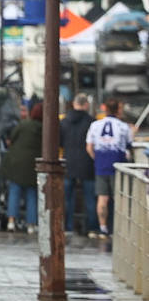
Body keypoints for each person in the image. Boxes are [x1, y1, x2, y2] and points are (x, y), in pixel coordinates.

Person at [87, 99, 134, 238]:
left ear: (105, 108)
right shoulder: (124, 127)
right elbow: (129, 146)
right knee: (119, 197)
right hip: (118, 164)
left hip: (101, 164)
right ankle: (119, 228)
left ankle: (103, 227)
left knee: (102, 198)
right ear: (118, 110)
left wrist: (97, 159)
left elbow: (89, 147)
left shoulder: (95, 125)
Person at [1, 103, 43, 233]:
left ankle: (11, 222)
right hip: (33, 165)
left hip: (17, 163)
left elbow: (12, 138)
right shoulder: (44, 128)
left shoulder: (23, 124)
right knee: (31, 194)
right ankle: (31, 224)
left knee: (14, 192)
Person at [60, 94, 96, 235]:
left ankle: (68, 227)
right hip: (87, 163)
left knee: (67, 198)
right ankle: (92, 228)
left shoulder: (64, 122)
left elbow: (59, 142)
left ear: (73, 104)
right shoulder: (91, 122)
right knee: (90, 198)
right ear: (86, 104)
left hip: (68, 162)